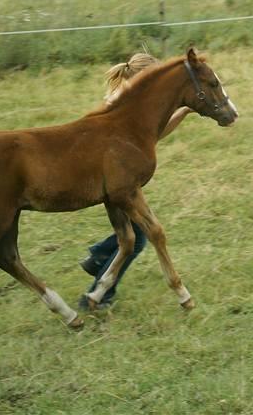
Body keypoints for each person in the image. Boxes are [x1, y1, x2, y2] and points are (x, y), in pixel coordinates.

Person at [78, 52, 192, 310]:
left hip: (117, 173)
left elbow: (154, 135)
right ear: (142, 76)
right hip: (113, 175)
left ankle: (98, 257)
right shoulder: (122, 104)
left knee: (134, 233)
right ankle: (99, 290)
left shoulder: (128, 99)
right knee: (137, 236)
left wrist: (185, 109)